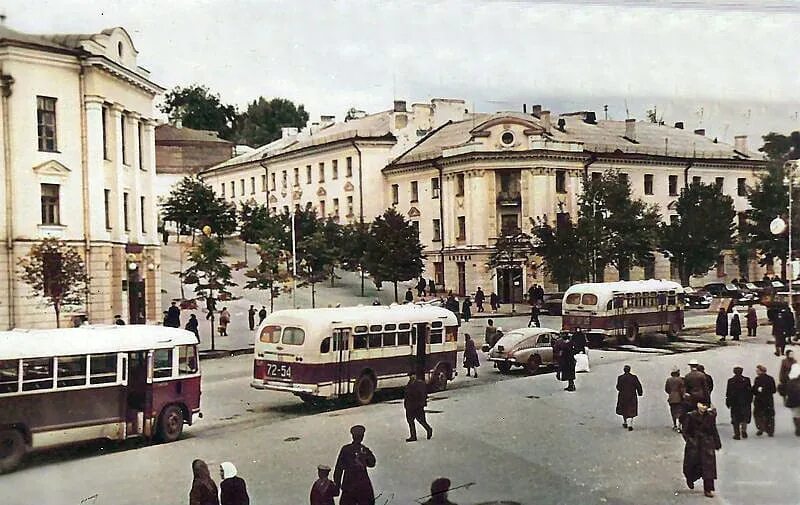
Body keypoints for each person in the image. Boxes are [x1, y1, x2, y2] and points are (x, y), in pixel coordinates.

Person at [682, 402, 722, 498]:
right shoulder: (691, 416)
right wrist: (690, 441)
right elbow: (686, 431)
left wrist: (717, 443)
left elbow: (713, 430)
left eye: (705, 405)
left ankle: (708, 489)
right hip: (694, 444)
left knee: (708, 467)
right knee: (692, 464)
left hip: (707, 443)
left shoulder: (710, 417)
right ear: (697, 405)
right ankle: (690, 478)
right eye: (702, 404)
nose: (703, 407)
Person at [334, 425, 376, 505]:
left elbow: (338, 469)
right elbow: (372, 463)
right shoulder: (364, 449)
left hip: (349, 485)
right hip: (363, 486)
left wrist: (337, 485)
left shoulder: (346, 449)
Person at [725, 366, 753, 440]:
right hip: (744, 402)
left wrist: (728, 402)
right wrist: (750, 400)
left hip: (734, 403)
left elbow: (728, 392)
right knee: (744, 417)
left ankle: (737, 434)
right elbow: (750, 391)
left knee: (735, 419)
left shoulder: (731, 381)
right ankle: (744, 431)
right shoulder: (746, 380)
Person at [404, 373, 433, 442]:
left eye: (413, 375)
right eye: (410, 376)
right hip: (410, 406)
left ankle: (428, 429)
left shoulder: (420, 384)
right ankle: (413, 436)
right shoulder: (409, 384)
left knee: (421, 420)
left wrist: (422, 404)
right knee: (410, 421)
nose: (411, 377)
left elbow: (423, 395)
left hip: (417, 406)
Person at [616, 365, 643, 431]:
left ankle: (625, 422)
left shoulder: (620, 377)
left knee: (624, 409)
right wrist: (640, 393)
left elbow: (618, 387)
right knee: (631, 409)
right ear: (630, 370)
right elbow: (638, 385)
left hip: (623, 396)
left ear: (624, 370)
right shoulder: (634, 377)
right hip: (632, 395)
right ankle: (630, 424)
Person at [751, 364, 776, 437]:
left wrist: (757, 390)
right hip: (768, 400)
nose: (756, 372)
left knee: (758, 415)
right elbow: (773, 390)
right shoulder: (770, 378)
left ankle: (760, 428)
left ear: (761, 371)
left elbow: (754, 390)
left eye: (757, 370)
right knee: (769, 415)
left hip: (759, 400)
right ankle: (770, 430)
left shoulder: (757, 379)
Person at [665, 366, 686, 432]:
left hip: (671, 398)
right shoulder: (681, 380)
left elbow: (667, 389)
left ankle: (675, 425)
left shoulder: (669, 380)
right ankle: (679, 425)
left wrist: (671, 393)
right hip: (679, 398)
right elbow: (682, 389)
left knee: (673, 412)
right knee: (680, 411)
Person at [785, 363, 800, 436]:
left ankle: (798, 428)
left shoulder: (790, 382)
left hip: (794, 401)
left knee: (796, 415)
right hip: (796, 400)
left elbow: (787, 390)